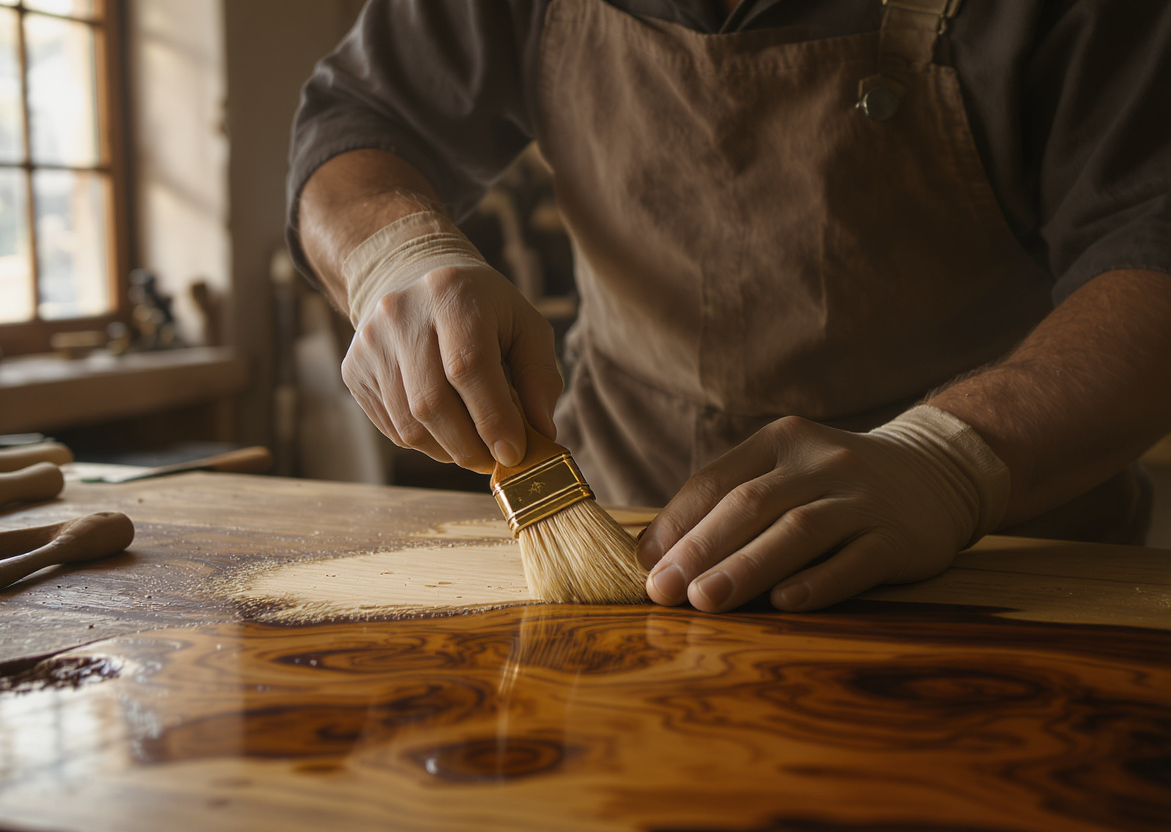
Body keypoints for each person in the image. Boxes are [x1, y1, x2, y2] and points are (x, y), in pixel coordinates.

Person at [287, 0, 1171, 613]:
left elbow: (1152, 242)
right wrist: (397, 255)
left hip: (999, 565)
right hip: (630, 539)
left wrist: (949, 463)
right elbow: (358, 117)